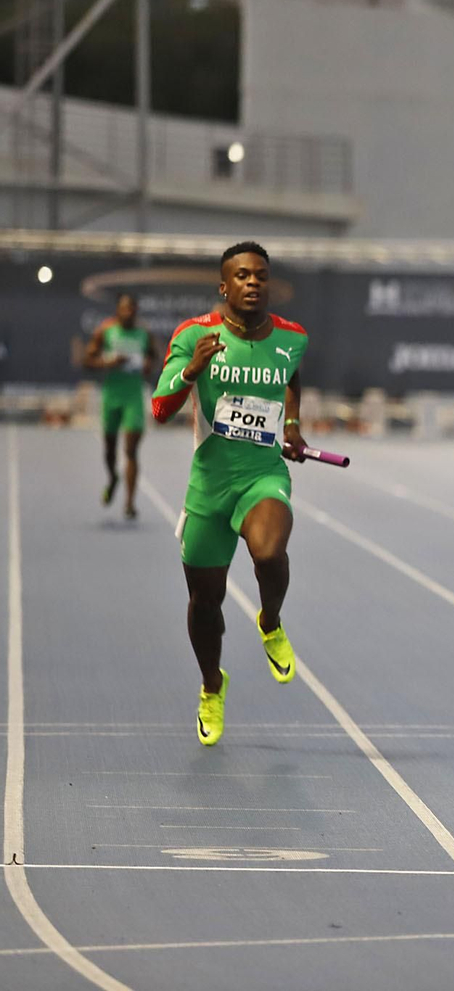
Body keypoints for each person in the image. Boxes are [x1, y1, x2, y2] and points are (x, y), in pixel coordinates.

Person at [151, 241, 312, 747]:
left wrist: (292, 425)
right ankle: (211, 685)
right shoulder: (194, 335)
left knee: (269, 551)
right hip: (209, 486)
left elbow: (291, 377)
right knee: (205, 602)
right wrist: (191, 370)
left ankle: (270, 621)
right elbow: (160, 409)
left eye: (260, 275)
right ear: (224, 286)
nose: (252, 282)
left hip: (262, 476)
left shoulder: (292, 338)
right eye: (242, 275)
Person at [83, 292, 156, 519]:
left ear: (136, 311)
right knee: (109, 448)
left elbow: (154, 358)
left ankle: (129, 503)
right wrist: (108, 362)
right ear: (117, 310)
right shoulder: (105, 331)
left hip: (133, 396)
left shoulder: (144, 333)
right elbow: (87, 360)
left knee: (131, 450)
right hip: (111, 396)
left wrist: (148, 364)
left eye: (131, 309)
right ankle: (113, 477)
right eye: (124, 308)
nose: (128, 312)